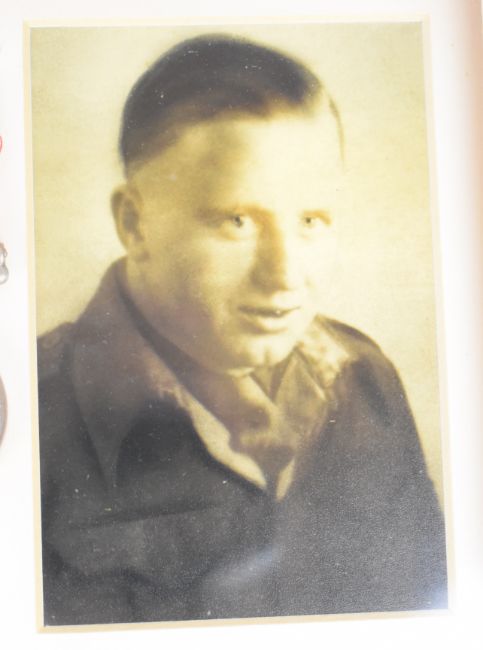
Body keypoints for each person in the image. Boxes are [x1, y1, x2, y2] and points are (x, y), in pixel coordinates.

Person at [37, 34, 447, 626]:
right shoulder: (36, 415)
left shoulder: (364, 379)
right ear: (134, 223)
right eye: (236, 221)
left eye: (311, 220)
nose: (285, 276)